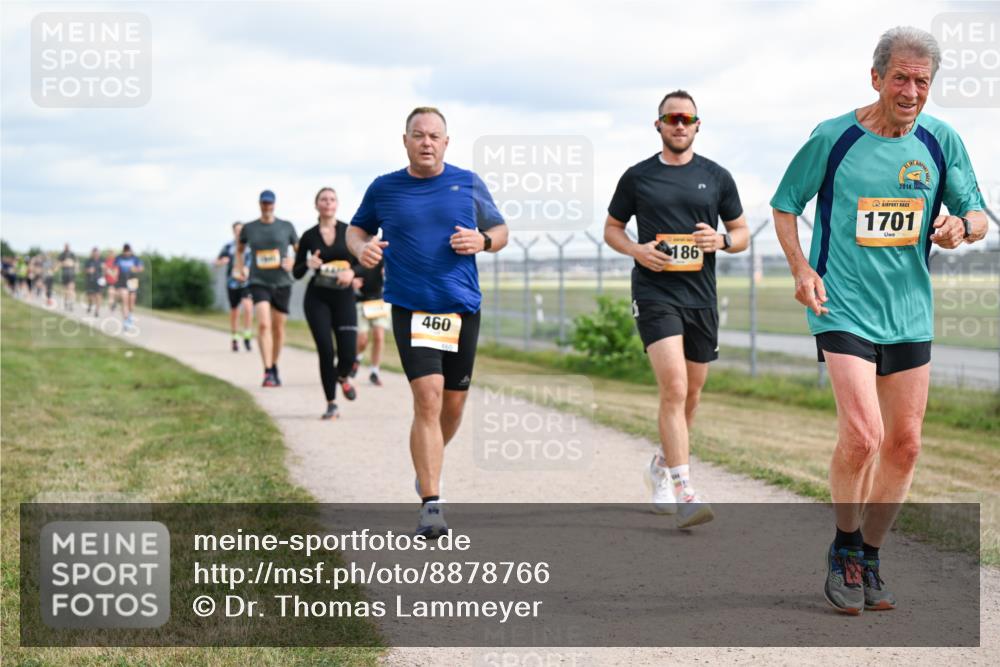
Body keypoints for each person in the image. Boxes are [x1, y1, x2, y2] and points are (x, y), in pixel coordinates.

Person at [771, 26, 988, 615]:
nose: (912, 90)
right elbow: (785, 204)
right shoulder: (833, 137)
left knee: (907, 445)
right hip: (841, 305)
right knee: (863, 436)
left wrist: (958, 227)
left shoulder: (942, 141)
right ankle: (842, 549)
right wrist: (800, 271)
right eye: (901, 77)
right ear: (876, 78)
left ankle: (869, 556)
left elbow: (978, 214)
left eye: (922, 80)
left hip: (910, 312)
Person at [348, 106, 508, 538]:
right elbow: (356, 230)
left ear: (446, 142)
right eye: (418, 135)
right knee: (429, 397)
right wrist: (361, 248)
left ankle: (427, 464)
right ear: (405, 140)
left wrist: (484, 240)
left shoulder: (467, 182)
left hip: (461, 306)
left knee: (453, 405)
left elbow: (501, 230)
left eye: (434, 136)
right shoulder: (385, 188)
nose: (426, 142)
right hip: (411, 305)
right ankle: (431, 503)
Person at [604, 90, 748, 529]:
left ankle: (662, 465)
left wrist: (720, 241)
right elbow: (612, 228)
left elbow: (740, 232)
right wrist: (636, 251)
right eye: (671, 119)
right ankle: (685, 489)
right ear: (659, 125)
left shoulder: (717, 177)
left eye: (687, 118)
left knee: (693, 393)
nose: (679, 125)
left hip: (700, 296)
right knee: (674, 387)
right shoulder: (638, 177)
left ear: (698, 125)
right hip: (654, 293)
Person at [293, 187, 359, 419]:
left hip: (344, 297)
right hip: (317, 298)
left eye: (332, 199)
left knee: (348, 354)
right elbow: (297, 272)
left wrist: (352, 272)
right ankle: (331, 403)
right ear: (317, 205)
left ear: (337, 204)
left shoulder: (349, 232)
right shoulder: (309, 235)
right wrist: (307, 263)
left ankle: (343, 376)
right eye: (323, 199)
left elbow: (363, 262)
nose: (328, 202)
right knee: (326, 350)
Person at [235, 190, 299, 387]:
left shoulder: (286, 227)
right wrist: (240, 268)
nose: (267, 206)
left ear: (275, 204)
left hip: (282, 282)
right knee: (263, 324)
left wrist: (293, 263)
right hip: (258, 281)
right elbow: (239, 249)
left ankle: (274, 364)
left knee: (278, 328)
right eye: (264, 203)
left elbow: (299, 250)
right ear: (259, 204)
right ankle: (267, 370)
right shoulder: (249, 228)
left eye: (270, 203)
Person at [216, 222, 254, 352]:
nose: (239, 232)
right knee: (235, 311)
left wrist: (248, 270)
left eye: (241, 230)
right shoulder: (228, 246)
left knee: (248, 308)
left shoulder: (250, 246)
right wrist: (222, 261)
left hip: (246, 282)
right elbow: (217, 261)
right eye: (237, 230)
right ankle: (234, 338)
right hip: (232, 283)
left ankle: (247, 336)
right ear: (233, 231)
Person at [352, 257, 388, 386]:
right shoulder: (355, 248)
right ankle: (356, 359)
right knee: (362, 340)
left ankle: (374, 372)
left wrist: (387, 271)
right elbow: (349, 270)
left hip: (378, 301)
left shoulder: (382, 252)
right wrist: (353, 280)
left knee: (379, 336)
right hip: (361, 301)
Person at [114, 244, 144, 329]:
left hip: (132, 281)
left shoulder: (135, 258)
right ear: (123, 251)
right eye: (125, 251)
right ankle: (126, 321)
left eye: (128, 251)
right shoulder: (119, 258)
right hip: (122, 281)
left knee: (131, 302)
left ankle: (130, 315)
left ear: (131, 251)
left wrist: (136, 269)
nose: (127, 252)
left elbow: (141, 268)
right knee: (124, 300)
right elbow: (114, 268)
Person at [83, 247, 104, 316]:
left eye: (97, 253)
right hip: (90, 280)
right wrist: (88, 270)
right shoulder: (88, 261)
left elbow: (106, 269)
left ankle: (97, 311)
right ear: (92, 253)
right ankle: (90, 304)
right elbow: (84, 270)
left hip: (99, 280)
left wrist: (104, 269)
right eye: (94, 253)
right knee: (90, 296)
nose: (96, 254)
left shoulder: (102, 260)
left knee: (99, 295)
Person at [57, 243, 77, 311]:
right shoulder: (62, 254)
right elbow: (58, 264)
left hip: (71, 274)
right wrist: (64, 263)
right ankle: (66, 301)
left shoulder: (72, 254)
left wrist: (73, 264)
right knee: (65, 289)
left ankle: (71, 302)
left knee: (71, 289)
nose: (67, 248)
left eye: (68, 246)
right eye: (66, 246)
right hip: (64, 274)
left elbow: (76, 263)